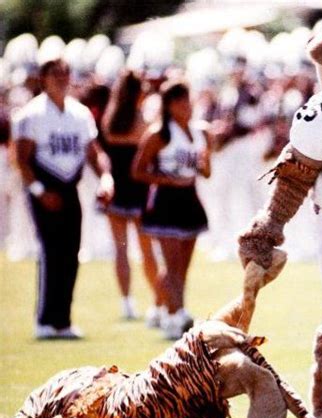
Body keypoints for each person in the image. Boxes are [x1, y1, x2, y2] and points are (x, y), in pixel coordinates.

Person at [12, 58, 114, 339]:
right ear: (43, 78)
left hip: (69, 186)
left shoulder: (79, 114)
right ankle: (44, 319)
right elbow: (21, 158)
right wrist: (39, 191)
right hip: (44, 187)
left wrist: (106, 178)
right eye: (54, 74)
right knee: (50, 250)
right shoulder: (31, 114)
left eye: (65, 73)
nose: (61, 79)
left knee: (71, 252)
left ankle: (63, 320)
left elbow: (94, 153)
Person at [133, 80, 211, 339]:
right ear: (168, 105)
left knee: (182, 266)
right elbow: (138, 171)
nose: (186, 106)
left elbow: (206, 172)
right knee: (172, 262)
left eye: (188, 100)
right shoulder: (159, 134)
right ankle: (177, 315)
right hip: (166, 200)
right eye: (180, 102)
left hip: (189, 198)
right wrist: (169, 180)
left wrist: (203, 162)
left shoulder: (199, 132)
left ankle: (167, 309)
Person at [101, 70, 164, 321]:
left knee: (121, 250)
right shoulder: (143, 122)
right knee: (147, 251)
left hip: (116, 190)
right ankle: (158, 301)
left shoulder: (110, 119)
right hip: (138, 191)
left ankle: (127, 302)